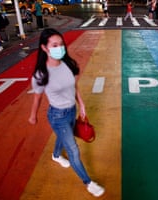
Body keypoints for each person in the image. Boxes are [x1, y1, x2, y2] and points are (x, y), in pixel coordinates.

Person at [28, 28, 105, 197]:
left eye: (61, 44)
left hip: (72, 110)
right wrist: (33, 115)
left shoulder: (68, 64)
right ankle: (88, 182)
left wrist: (82, 104)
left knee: (64, 136)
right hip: (57, 116)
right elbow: (37, 98)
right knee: (73, 150)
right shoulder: (41, 74)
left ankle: (56, 155)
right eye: (54, 45)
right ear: (44, 48)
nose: (59, 48)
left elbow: (73, 86)